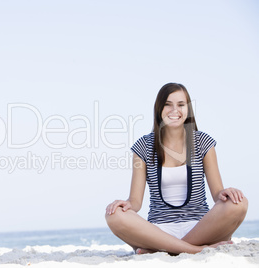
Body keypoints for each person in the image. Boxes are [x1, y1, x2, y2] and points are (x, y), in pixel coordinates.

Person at [105, 83, 248, 255]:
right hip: (158, 230)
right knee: (113, 215)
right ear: (159, 108)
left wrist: (226, 193)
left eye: (181, 105)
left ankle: (163, 250)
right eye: (168, 104)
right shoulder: (143, 146)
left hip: (200, 227)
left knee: (239, 204)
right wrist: (126, 204)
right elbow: (135, 202)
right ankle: (196, 250)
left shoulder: (203, 142)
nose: (175, 110)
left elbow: (218, 193)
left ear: (188, 109)